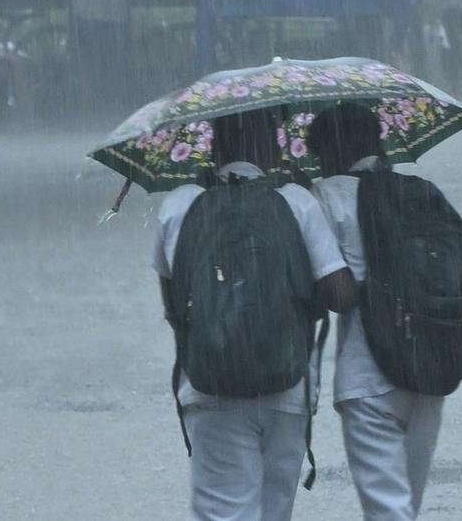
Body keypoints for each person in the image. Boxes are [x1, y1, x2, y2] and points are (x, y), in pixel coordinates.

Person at [152, 108, 356, 521]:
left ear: (213, 146)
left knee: (223, 510)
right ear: (273, 146)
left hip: (209, 383)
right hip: (287, 385)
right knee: (273, 511)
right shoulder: (298, 202)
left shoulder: (179, 205)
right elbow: (338, 296)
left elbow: (174, 307)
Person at [308, 103, 446, 520]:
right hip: (430, 367)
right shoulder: (421, 191)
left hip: (368, 376)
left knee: (387, 509)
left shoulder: (324, 195)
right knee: (407, 506)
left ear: (331, 151)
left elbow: (332, 297)